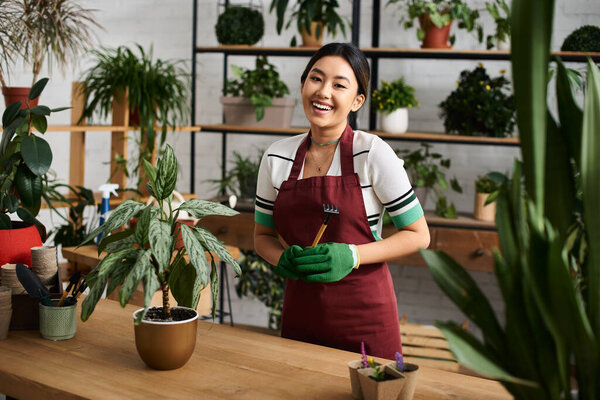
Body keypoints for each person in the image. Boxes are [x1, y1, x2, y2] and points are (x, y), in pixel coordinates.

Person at [253, 42, 430, 360]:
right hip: (301, 314)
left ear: (357, 100)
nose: (323, 92)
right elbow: (262, 236)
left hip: (366, 317)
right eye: (316, 79)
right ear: (304, 84)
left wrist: (352, 254)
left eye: (339, 85)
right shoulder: (276, 157)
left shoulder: (372, 153)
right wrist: (281, 259)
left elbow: (419, 235)